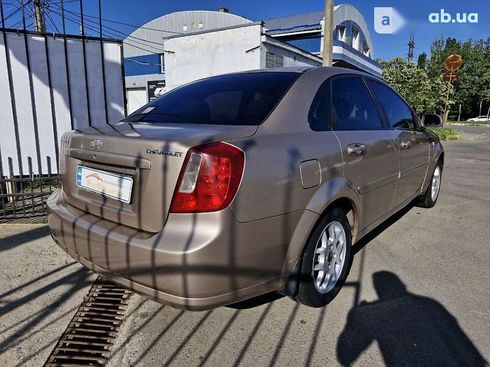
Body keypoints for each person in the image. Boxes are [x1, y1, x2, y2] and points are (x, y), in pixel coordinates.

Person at [337, 271, 487, 366]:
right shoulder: (430, 304)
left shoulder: (368, 314)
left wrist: (355, 317)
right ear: (402, 284)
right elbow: (458, 337)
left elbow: (344, 356)